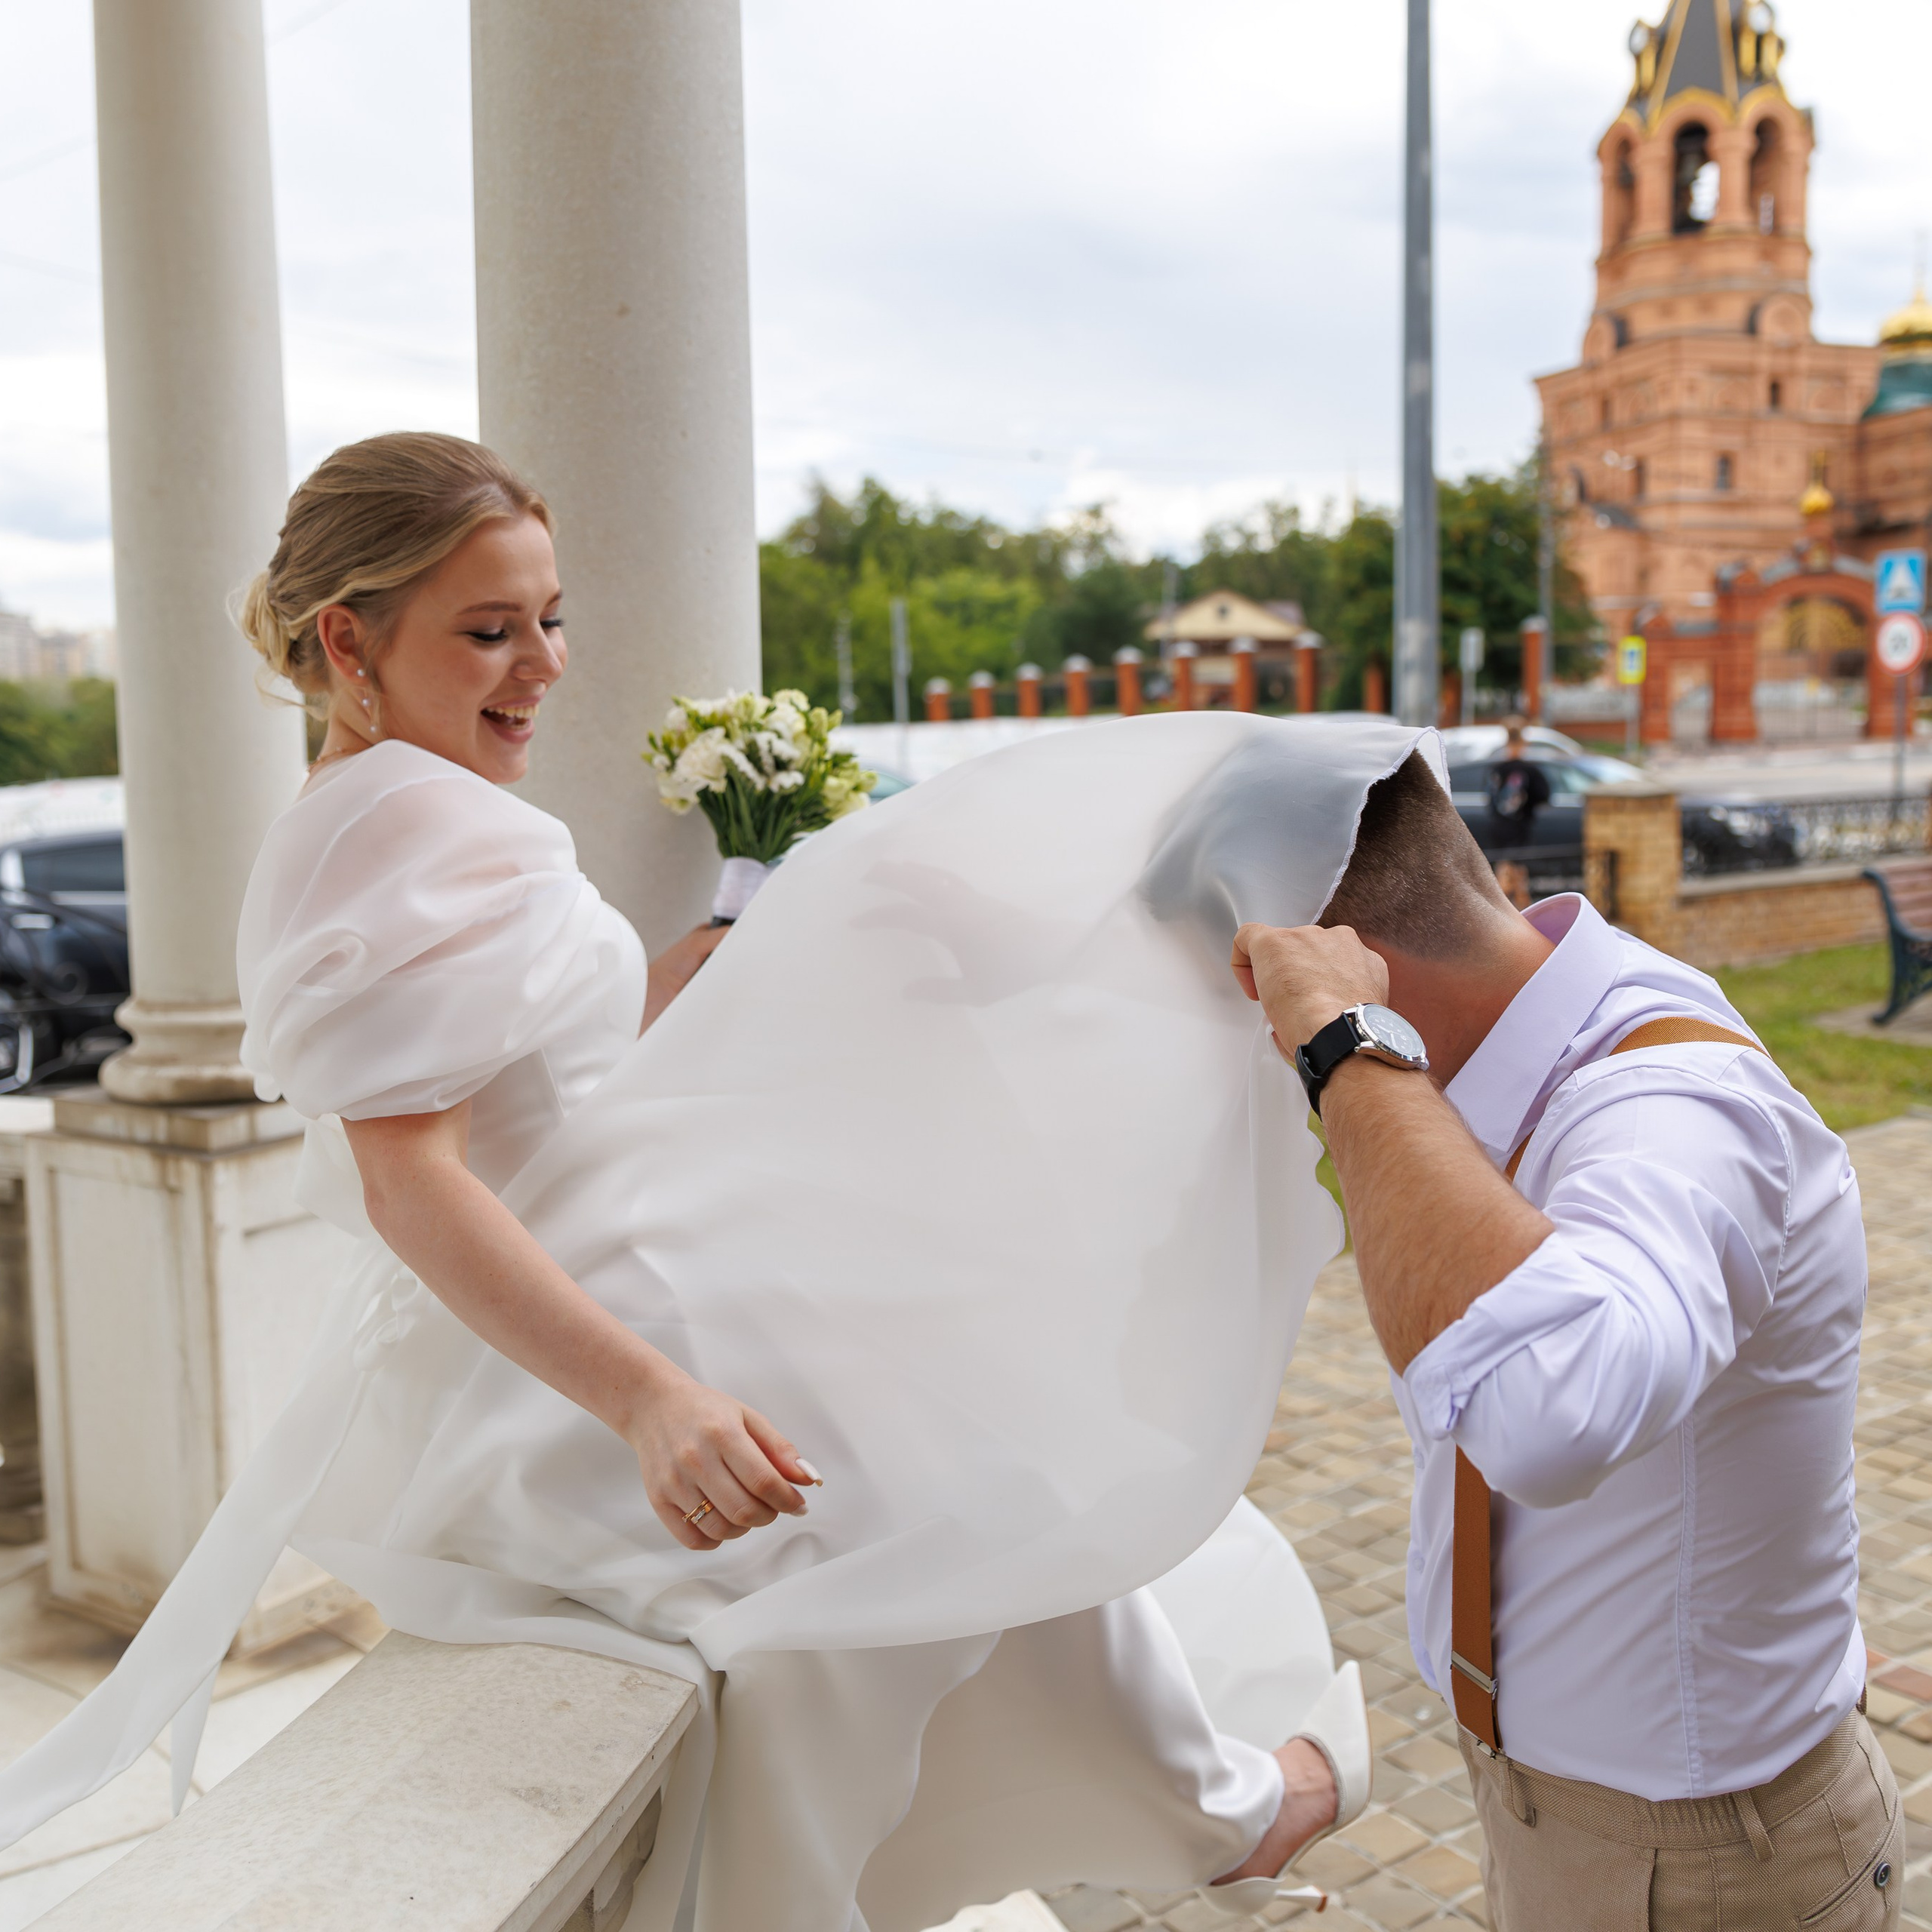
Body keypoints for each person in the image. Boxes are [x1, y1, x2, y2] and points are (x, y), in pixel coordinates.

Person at [0, 433, 1395, 1932]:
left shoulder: (373, 807)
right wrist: (650, 1399)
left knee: (969, 1470)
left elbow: (539, 1070)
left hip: (610, 1287)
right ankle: (1217, 1806)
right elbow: (413, 1181)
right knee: (968, 1474)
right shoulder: (410, 822)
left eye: (549, 616)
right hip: (607, 1329)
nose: (538, 664)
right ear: (349, 637)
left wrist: (742, 955)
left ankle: (1191, 1803)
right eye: (486, 631)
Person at [1232, 752, 1894, 1930]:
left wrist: (1346, 1045)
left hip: (1702, 1863)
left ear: (1342, 956)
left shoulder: (1670, 1104)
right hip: (1579, 1820)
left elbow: (1547, 1407)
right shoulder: (1534, 1045)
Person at [1484, 715, 1551, 848]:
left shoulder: (1497, 770)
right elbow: (1543, 795)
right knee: (1519, 865)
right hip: (1522, 826)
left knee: (1501, 865)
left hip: (1498, 827)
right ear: (1523, 743)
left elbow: (1490, 798)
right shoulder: (1530, 771)